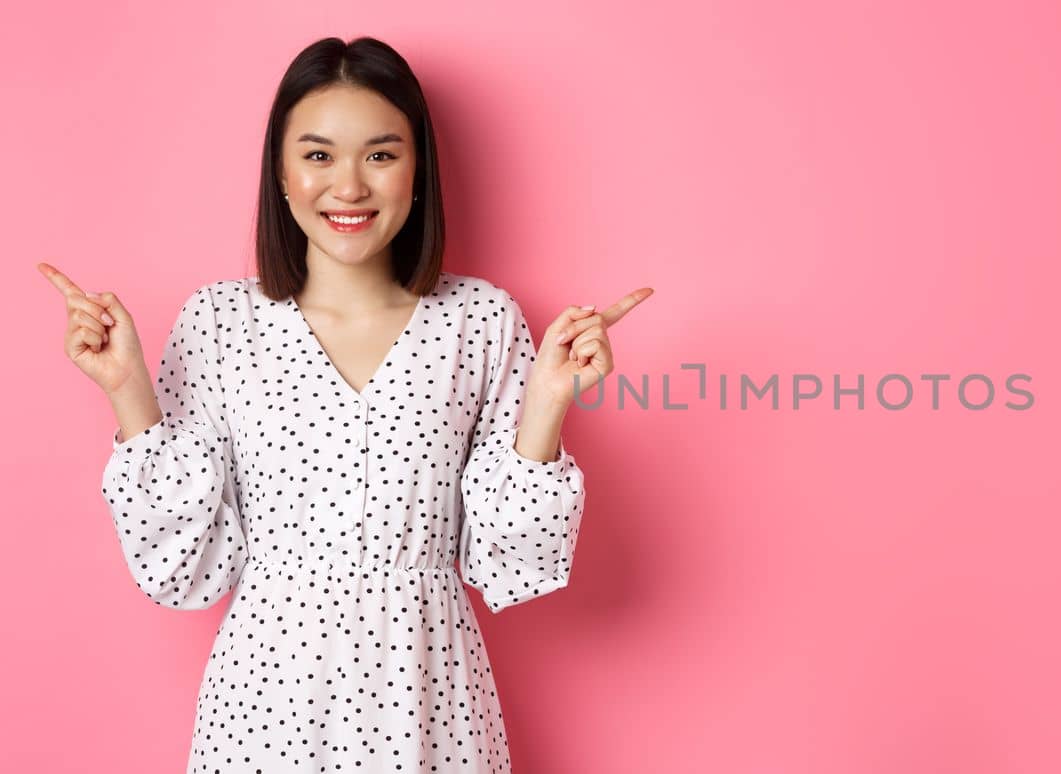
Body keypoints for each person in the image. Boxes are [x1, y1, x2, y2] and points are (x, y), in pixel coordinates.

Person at [37, 36, 651, 772]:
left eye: (382, 155)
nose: (349, 187)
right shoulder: (221, 323)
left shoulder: (481, 322)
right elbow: (186, 568)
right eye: (319, 155)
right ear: (282, 174)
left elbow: (509, 566)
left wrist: (547, 406)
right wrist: (126, 389)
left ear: (418, 171)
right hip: (264, 709)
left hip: (429, 699)